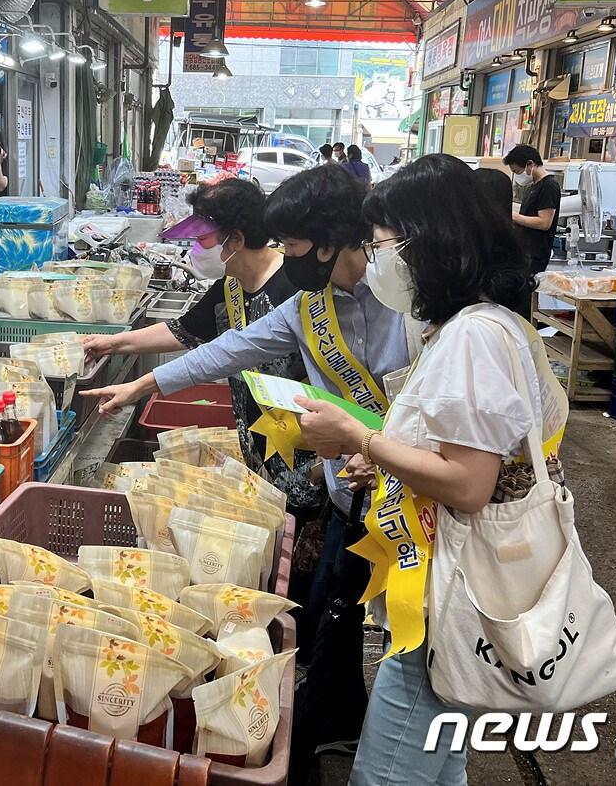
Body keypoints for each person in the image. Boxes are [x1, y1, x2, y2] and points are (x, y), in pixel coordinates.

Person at [83, 164, 411, 759]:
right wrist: (144, 384)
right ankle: (337, 720)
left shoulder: (406, 302)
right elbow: (228, 348)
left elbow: (431, 404)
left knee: (392, 631)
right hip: (349, 495)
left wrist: (382, 448)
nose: (285, 254)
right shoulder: (308, 304)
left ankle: (363, 732)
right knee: (335, 608)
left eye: (292, 242)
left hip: (408, 499)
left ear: (333, 237)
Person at [295, 153, 567, 785]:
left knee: (387, 772)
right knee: (440, 765)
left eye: (383, 243)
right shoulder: (484, 324)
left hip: (450, 602)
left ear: (431, 243)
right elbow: (462, 455)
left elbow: (469, 486)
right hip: (450, 594)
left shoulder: (473, 336)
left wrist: (357, 433)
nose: (376, 258)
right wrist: (384, 460)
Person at [82, 178, 319, 533]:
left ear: (236, 240)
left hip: (308, 453)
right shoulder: (232, 284)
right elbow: (185, 331)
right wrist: (114, 343)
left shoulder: (292, 287)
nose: (195, 248)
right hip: (259, 447)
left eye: (203, 238)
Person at [504, 144, 560, 275]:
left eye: (517, 172)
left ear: (530, 164)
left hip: (536, 255)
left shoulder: (549, 186)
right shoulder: (532, 187)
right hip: (525, 251)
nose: (518, 176)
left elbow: (545, 223)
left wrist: (513, 216)